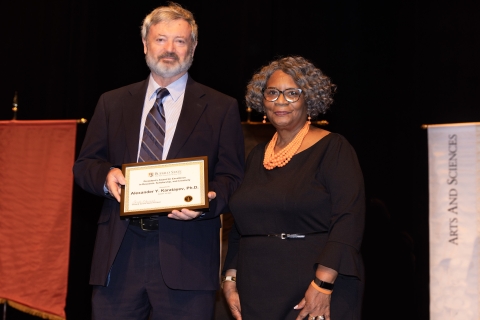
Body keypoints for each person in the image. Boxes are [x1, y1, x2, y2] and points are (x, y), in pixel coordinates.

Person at [73, 3, 244, 319]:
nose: (169, 49)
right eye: (161, 39)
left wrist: (209, 200)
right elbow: (85, 165)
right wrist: (105, 176)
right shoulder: (111, 102)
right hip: (119, 253)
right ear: (144, 45)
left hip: (188, 255)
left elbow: (232, 176)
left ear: (192, 47)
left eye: (180, 41)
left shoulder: (221, 107)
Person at [222, 56, 365, 320]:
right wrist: (230, 278)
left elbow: (349, 221)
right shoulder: (256, 156)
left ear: (308, 99)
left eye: (292, 94)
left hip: (311, 286)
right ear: (261, 99)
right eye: (273, 93)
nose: (280, 102)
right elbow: (240, 226)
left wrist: (322, 284)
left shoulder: (333, 148)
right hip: (255, 288)